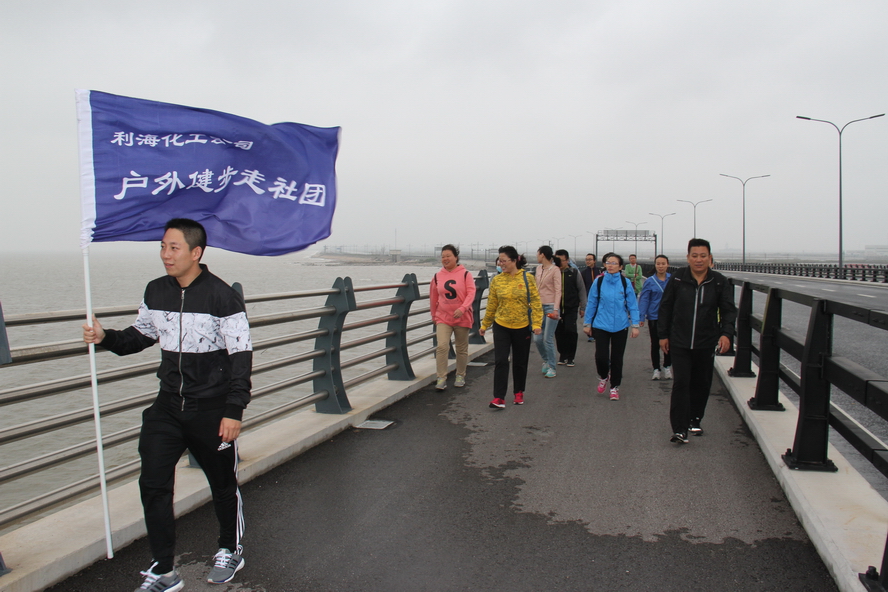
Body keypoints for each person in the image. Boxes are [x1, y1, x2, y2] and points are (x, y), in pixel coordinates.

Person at [82, 219, 252, 591]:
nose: (165, 254)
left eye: (174, 248)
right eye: (162, 246)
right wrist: (104, 337)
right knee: (153, 484)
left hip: (211, 409)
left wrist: (233, 410)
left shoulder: (223, 296)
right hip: (167, 408)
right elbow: (138, 337)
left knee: (222, 484)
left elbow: (241, 356)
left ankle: (229, 549)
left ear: (196, 252)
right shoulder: (156, 290)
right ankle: (163, 570)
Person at [658, 238, 737, 444]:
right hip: (679, 341)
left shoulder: (718, 281)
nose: (699, 259)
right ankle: (680, 429)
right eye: (694, 256)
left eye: (703, 256)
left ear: (710, 258)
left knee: (702, 383)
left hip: (706, 341)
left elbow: (728, 311)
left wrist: (726, 334)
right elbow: (666, 307)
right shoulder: (678, 279)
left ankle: (695, 418)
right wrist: (663, 335)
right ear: (688, 258)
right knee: (681, 383)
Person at [479, 246, 543, 408]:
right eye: (499, 261)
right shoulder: (497, 280)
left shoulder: (527, 278)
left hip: (522, 326)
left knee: (520, 361)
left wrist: (536, 324)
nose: (501, 264)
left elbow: (536, 303)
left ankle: (518, 392)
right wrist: (485, 324)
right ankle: (499, 397)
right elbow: (492, 304)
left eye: (504, 261)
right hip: (501, 325)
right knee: (501, 360)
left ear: (514, 261)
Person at [582, 253, 640, 401]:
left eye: (614, 263)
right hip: (601, 324)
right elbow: (592, 303)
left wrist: (635, 325)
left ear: (620, 267)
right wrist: (587, 323)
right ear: (605, 265)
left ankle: (614, 387)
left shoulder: (625, 283)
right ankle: (603, 376)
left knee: (617, 358)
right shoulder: (599, 282)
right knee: (601, 357)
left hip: (621, 325)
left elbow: (632, 305)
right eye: (608, 262)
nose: (611, 265)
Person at [430, 244, 476, 390]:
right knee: (442, 346)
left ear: (456, 257)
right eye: (443, 256)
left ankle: (460, 375)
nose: (445, 259)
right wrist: (433, 315)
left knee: (461, 348)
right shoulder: (437, 276)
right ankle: (441, 378)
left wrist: (463, 308)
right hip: (443, 317)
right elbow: (433, 297)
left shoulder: (465, 274)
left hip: (462, 317)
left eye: (448, 256)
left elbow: (471, 293)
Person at [638, 255, 672, 380]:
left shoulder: (672, 280)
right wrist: (641, 316)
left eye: (663, 263)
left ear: (667, 265)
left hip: (669, 316)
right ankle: (656, 369)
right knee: (655, 343)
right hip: (654, 316)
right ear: (655, 265)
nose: (661, 266)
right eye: (658, 264)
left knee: (669, 343)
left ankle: (667, 366)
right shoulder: (650, 281)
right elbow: (644, 299)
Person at [554, 249, 586, 367]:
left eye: (562, 260)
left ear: (567, 260)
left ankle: (571, 357)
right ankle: (562, 355)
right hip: (556, 308)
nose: (559, 263)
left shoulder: (574, 273)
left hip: (571, 307)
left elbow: (581, 290)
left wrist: (583, 307)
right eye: (557, 260)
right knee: (559, 332)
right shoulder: (553, 273)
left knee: (570, 331)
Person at [533, 245, 561, 378]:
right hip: (538, 307)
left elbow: (558, 290)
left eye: (538, 254)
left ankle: (552, 367)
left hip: (551, 307)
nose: (537, 256)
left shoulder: (555, 270)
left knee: (547, 338)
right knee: (537, 338)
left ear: (542, 255)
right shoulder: (538, 268)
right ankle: (546, 360)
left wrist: (556, 309)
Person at [580, 254, 601, 342]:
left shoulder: (600, 271)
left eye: (590, 259)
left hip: (600, 297)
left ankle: (598, 332)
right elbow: (581, 287)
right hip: (588, 297)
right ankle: (591, 334)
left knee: (598, 315)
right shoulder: (583, 273)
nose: (588, 261)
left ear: (594, 261)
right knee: (590, 315)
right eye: (587, 259)